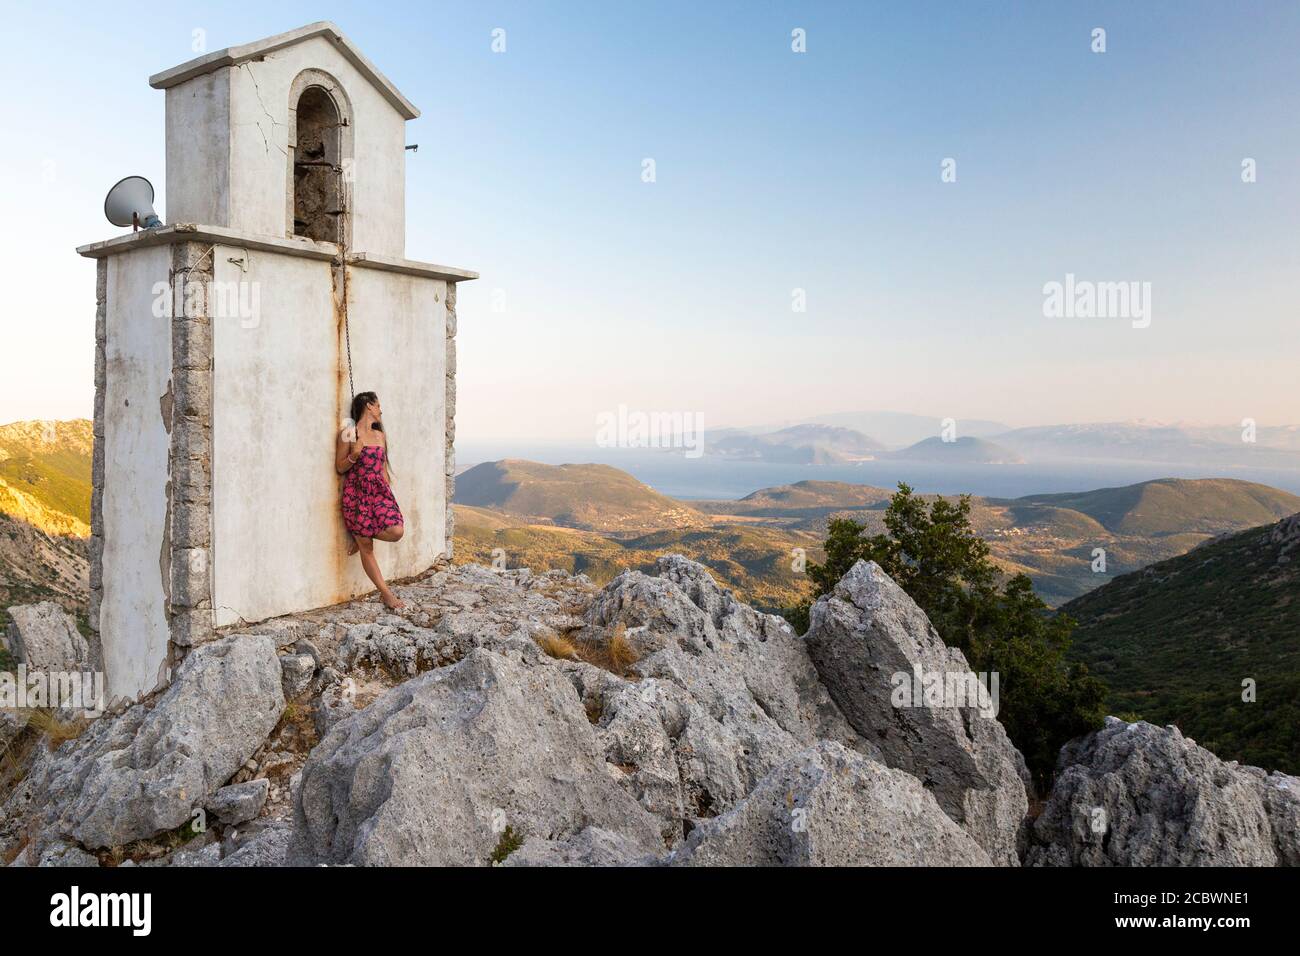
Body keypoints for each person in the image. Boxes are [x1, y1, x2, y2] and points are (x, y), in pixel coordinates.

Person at [336, 391, 406, 610]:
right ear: (368, 405)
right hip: (357, 495)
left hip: (378, 492)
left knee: (397, 531)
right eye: (378, 405)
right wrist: (354, 455)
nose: (380, 410)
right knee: (367, 549)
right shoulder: (349, 433)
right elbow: (340, 467)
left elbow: (383, 469)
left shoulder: (380, 436)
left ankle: (360, 535)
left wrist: (388, 492)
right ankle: (386, 594)